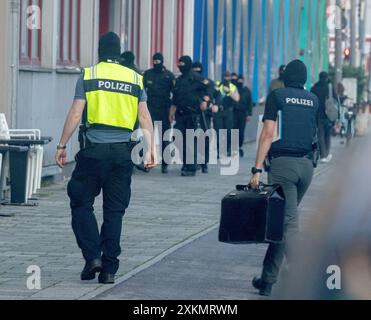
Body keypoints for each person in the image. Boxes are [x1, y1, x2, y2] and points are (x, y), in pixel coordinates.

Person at [55, 32, 156, 284]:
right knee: (114, 212)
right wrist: (151, 148)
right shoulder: (135, 78)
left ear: (99, 51)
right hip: (123, 154)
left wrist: (61, 144)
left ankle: (92, 258)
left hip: (92, 153)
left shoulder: (88, 74)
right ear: (119, 53)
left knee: (80, 203)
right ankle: (109, 270)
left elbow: (77, 113)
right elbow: (144, 116)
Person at [249, 59, 319, 296]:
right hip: (306, 167)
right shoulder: (313, 100)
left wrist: (256, 169)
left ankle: (305, 279)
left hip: (283, 167)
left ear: (286, 76)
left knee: (288, 225)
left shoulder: (277, 96)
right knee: (283, 221)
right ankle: (267, 280)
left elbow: (268, 134)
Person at [169, 56, 211, 177]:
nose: (180, 65)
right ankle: (187, 163)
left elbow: (209, 87)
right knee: (177, 139)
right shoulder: (179, 80)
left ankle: (191, 167)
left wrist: (205, 100)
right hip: (180, 114)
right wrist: (171, 111)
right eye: (179, 63)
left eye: (182, 63)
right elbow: (175, 98)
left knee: (190, 141)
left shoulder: (197, 78)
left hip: (192, 114)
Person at [144, 53, 175, 174]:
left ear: (162, 61)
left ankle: (165, 164)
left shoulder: (169, 76)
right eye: (154, 61)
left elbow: (175, 93)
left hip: (164, 110)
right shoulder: (147, 74)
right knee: (148, 137)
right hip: (150, 109)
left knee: (165, 138)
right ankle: (147, 162)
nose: (156, 63)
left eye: (158, 61)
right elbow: (142, 90)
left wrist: (172, 111)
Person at [192, 61, 217, 173]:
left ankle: (204, 163)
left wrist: (213, 104)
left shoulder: (207, 82)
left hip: (204, 114)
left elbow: (216, 94)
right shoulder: (190, 82)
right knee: (193, 139)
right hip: (192, 113)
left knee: (204, 138)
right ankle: (195, 161)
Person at [311, 72, 337, 163]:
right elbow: (336, 100)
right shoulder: (330, 87)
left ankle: (323, 155)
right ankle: (326, 153)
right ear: (327, 78)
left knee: (320, 135)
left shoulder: (314, 88)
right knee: (327, 134)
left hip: (318, 114)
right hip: (329, 115)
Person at [214, 71, 240, 158]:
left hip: (228, 112)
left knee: (228, 131)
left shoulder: (233, 87)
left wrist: (228, 91)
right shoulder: (218, 85)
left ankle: (228, 149)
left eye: (228, 77)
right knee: (219, 132)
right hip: (219, 111)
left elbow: (237, 98)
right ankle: (219, 151)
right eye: (225, 77)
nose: (226, 79)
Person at [233, 75, 253, 157]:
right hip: (234, 113)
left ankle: (239, 146)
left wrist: (249, 114)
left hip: (243, 113)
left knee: (241, 132)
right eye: (239, 80)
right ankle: (234, 148)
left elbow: (250, 103)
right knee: (234, 130)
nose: (240, 82)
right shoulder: (234, 89)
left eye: (241, 80)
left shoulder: (246, 90)